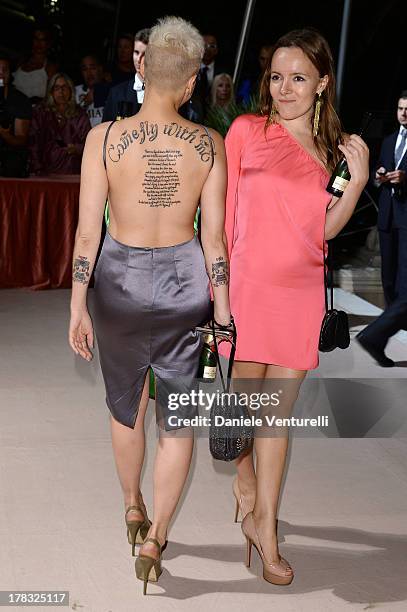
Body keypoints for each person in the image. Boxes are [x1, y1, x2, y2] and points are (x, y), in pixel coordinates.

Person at [68, 15, 230, 594]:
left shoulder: (104, 140)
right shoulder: (209, 146)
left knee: (126, 405)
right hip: (187, 287)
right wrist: (225, 312)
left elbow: (88, 235)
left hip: (119, 283)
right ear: (190, 83)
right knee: (178, 419)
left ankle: (134, 508)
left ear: (142, 69)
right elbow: (216, 243)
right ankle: (159, 536)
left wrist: (76, 307)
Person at [223, 28, 369, 584]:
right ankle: (244, 483)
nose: (285, 88)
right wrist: (217, 290)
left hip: (298, 295)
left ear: (322, 84)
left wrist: (353, 185)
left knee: (274, 420)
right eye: (277, 77)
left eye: (299, 78)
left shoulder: (335, 152)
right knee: (240, 414)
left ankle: (265, 525)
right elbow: (224, 217)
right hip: (246, 291)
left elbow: (322, 232)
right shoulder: (244, 132)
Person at [357, 91, 407, 366]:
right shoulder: (389, 141)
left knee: (404, 285)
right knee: (389, 278)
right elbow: (379, 171)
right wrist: (380, 176)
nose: (403, 113)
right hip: (388, 216)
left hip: (405, 217)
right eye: (400, 108)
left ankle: (376, 334)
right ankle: (389, 327)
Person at [29, 73, 91, 174]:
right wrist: (37, 167)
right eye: (56, 88)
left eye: (64, 87)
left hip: (72, 171)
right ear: (51, 91)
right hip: (45, 172)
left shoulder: (79, 114)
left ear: (71, 90)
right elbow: (33, 142)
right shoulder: (41, 112)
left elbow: (89, 144)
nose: (60, 92)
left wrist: (76, 148)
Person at [102, 28, 150, 121]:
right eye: (136, 52)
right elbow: (107, 130)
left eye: (145, 53)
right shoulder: (116, 93)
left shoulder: (166, 94)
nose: (139, 59)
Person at [13, 27, 58, 103]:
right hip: (14, 105)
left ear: (48, 44)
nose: (38, 43)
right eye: (36, 39)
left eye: (42, 40)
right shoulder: (22, 61)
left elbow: (51, 96)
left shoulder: (50, 67)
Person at [75, 54, 105, 127]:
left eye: (92, 68)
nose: (89, 73)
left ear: (100, 69)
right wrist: (84, 104)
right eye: (85, 69)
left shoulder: (111, 90)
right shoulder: (75, 91)